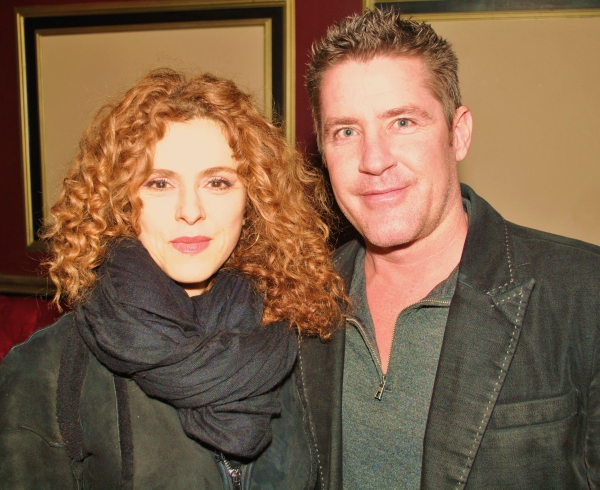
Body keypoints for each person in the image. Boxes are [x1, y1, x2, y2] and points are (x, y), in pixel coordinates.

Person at [296, 8, 600, 489]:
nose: (374, 160)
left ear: (458, 133)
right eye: (346, 131)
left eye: (402, 122)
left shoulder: (583, 294)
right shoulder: (295, 303)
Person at [0, 68, 347, 489]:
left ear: (253, 199)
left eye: (218, 182)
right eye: (160, 183)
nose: (190, 211)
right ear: (121, 200)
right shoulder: (47, 371)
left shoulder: (306, 342)